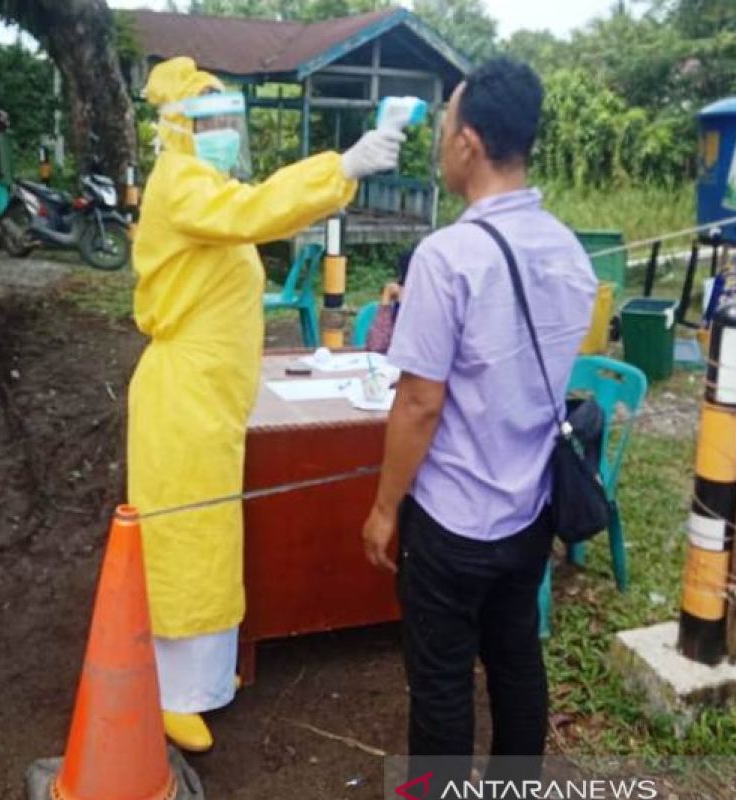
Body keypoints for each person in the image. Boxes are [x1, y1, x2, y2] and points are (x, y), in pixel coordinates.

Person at [128, 56, 402, 753]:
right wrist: (342, 167)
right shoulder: (183, 186)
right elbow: (258, 211)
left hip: (209, 400)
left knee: (211, 538)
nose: (222, 134)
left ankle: (204, 680)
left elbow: (249, 210)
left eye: (229, 122)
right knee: (185, 540)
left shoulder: (204, 184)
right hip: (183, 400)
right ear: (179, 130)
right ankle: (170, 692)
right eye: (209, 122)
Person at [359, 58, 596, 791]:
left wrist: (382, 507)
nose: (440, 142)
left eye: (445, 125)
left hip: (452, 520)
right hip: (529, 512)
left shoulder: (446, 257)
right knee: (517, 657)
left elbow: (420, 404)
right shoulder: (569, 251)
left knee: (440, 682)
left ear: (468, 142)